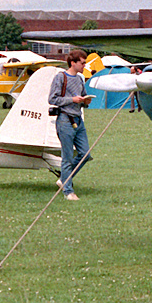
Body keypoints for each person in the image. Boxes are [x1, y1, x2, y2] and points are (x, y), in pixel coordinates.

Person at [49, 49, 95, 200]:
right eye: (82, 63)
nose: (84, 65)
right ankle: (68, 192)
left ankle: (64, 179)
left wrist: (85, 101)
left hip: (78, 120)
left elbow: (82, 97)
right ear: (73, 63)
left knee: (85, 154)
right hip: (65, 121)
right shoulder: (60, 77)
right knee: (67, 157)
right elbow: (52, 99)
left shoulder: (80, 79)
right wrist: (71, 100)